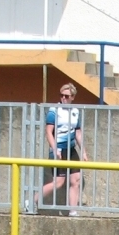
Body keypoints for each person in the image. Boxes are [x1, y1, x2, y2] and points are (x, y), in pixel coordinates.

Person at [38, 82, 88, 212]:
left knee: (76, 180)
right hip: (59, 148)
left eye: (66, 96)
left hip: (71, 149)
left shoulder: (75, 111)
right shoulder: (54, 110)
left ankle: (73, 211)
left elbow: (78, 132)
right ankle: (31, 201)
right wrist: (54, 149)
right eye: (61, 96)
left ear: (73, 97)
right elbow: (48, 131)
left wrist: (83, 151)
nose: (63, 98)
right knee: (59, 182)